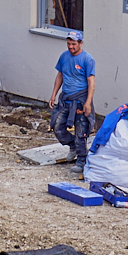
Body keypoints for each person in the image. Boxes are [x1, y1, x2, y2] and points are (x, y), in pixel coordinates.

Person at [48, 30, 95, 174]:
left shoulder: (87, 59)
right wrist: (53, 95)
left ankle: (81, 161)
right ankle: (72, 145)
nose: (71, 47)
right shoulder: (64, 56)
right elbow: (60, 76)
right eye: (69, 44)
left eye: (74, 44)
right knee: (57, 126)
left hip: (80, 100)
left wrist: (88, 103)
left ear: (80, 43)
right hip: (66, 99)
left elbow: (91, 82)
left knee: (81, 132)